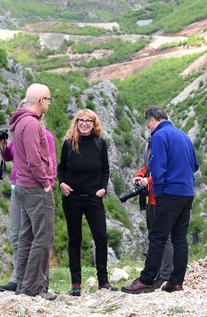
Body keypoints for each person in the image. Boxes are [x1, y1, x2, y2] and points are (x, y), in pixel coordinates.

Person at [122, 106, 199, 294]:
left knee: (157, 236)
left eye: (148, 125)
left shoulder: (159, 136)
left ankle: (146, 280)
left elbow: (158, 168)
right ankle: (176, 282)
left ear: (152, 120)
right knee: (180, 239)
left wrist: (158, 191)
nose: (148, 129)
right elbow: (195, 165)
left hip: (169, 193)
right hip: (187, 192)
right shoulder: (184, 136)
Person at [0, 110, 57, 293]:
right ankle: (20, 280)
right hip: (19, 187)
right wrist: (3, 145)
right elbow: (10, 156)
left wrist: (48, 183)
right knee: (21, 235)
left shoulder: (44, 135)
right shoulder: (22, 131)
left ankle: (37, 280)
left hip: (33, 187)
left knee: (38, 235)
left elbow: (50, 162)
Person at [57, 109, 115, 296]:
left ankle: (103, 281)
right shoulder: (68, 144)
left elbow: (105, 169)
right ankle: (75, 284)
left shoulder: (100, 144)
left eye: (88, 121)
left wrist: (103, 188)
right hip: (72, 197)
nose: (84, 123)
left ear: (94, 123)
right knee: (75, 239)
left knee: (101, 238)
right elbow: (61, 168)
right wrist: (62, 184)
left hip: (93, 198)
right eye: (80, 120)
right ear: (76, 123)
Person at [9, 83, 56, 300]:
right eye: (48, 99)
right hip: (35, 187)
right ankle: (34, 287)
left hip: (22, 186)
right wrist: (46, 183)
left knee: (27, 236)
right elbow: (33, 158)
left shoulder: (21, 122)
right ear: (40, 101)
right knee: (43, 237)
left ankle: (22, 285)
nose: (49, 103)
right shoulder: (31, 124)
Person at [133, 139, 174, 289]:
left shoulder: (165, 143)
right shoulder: (149, 144)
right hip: (150, 198)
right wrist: (139, 175)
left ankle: (165, 275)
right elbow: (148, 166)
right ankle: (157, 273)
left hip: (161, 197)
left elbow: (164, 168)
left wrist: (148, 181)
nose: (149, 130)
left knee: (165, 237)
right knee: (154, 237)